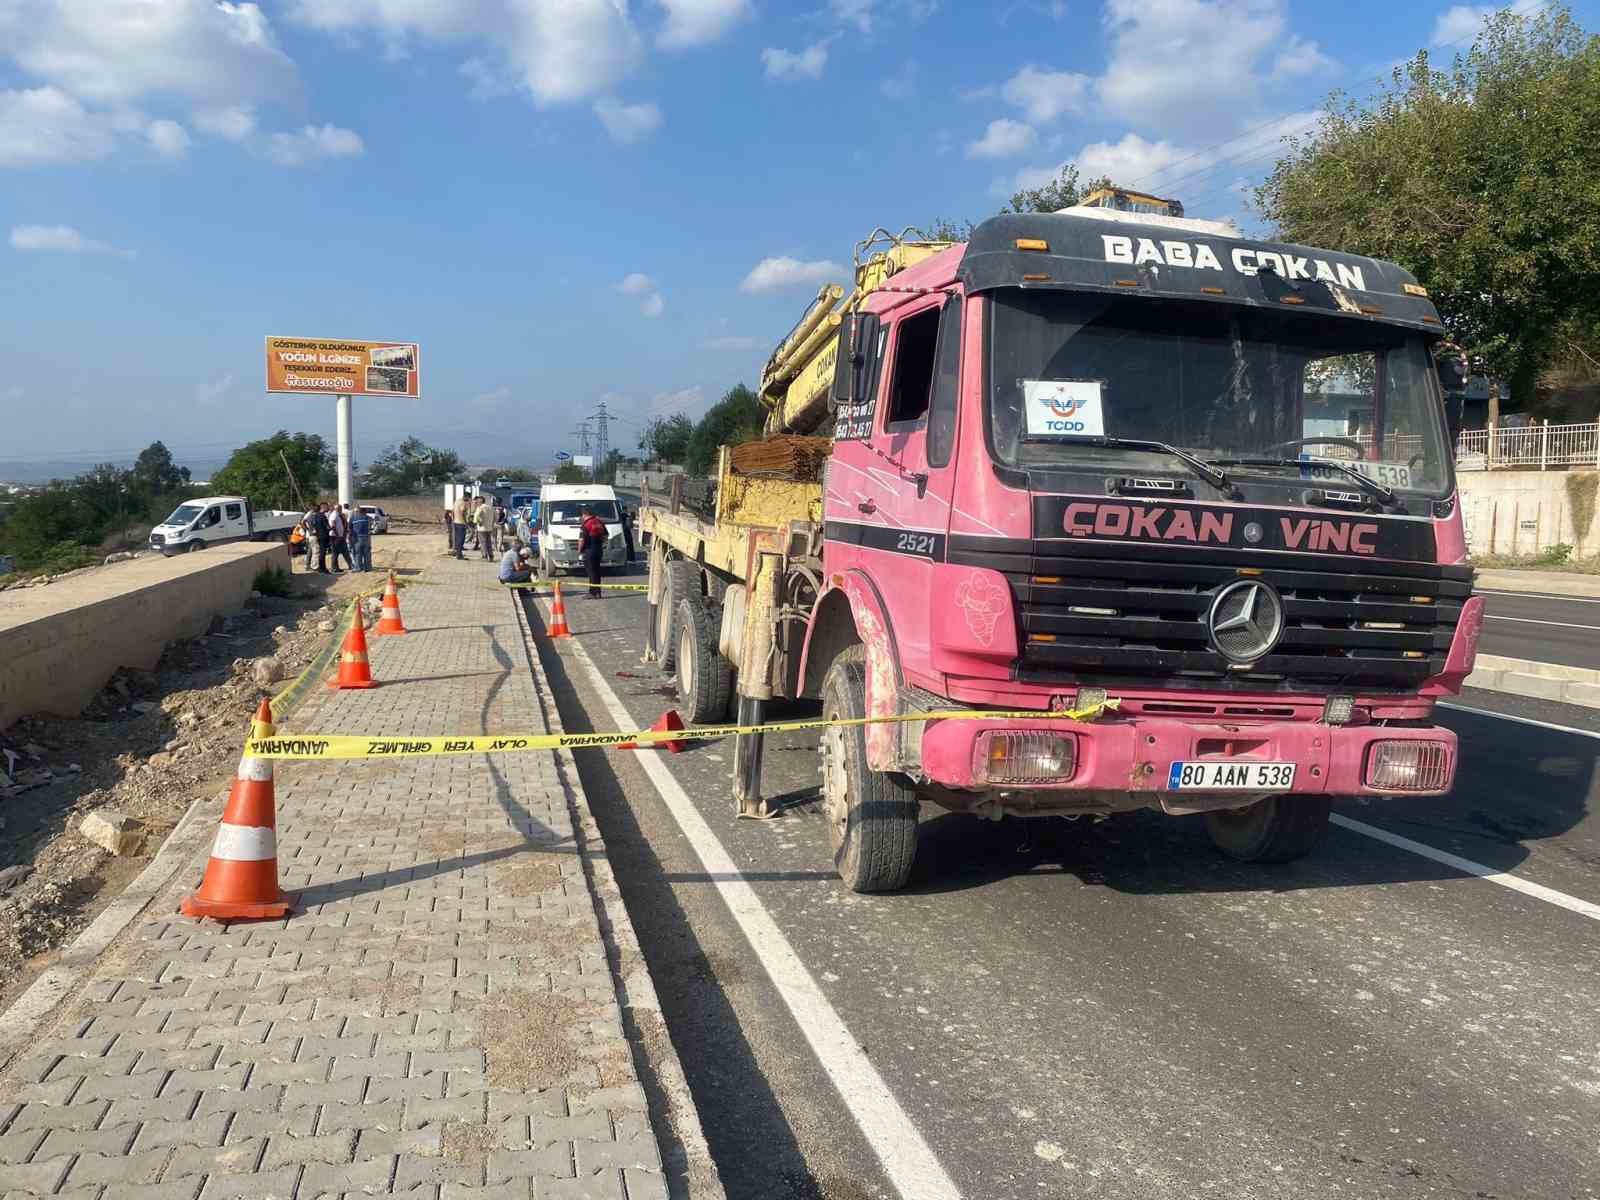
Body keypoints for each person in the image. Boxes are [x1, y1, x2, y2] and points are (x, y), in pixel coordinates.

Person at [578, 506, 607, 598]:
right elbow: (606, 535)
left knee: (591, 572)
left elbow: (582, 539)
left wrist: (579, 550)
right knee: (597, 572)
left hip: (589, 551)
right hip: (599, 550)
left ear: (584, 514)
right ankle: (598, 592)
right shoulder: (599, 522)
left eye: (582, 515)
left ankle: (592, 593)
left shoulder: (586, 524)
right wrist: (601, 543)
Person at [308, 503, 332, 573]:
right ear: (322, 508)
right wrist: (331, 528)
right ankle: (322, 568)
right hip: (323, 536)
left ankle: (320, 568)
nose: (328, 508)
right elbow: (327, 527)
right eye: (327, 507)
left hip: (317, 536)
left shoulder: (313, 516)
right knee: (322, 553)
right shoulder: (322, 516)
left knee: (318, 552)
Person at [329, 504, 352, 572]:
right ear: (336, 509)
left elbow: (344, 524)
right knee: (335, 553)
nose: (340, 509)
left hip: (341, 536)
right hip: (335, 537)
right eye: (339, 508)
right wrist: (337, 535)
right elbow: (333, 525)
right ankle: (334, 568)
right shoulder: (334, 514)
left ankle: (351, 565)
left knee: (345, 551)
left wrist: (344, 533)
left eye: (341, 508)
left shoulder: (340, 514)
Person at [349, 505, 372, 572]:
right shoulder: (367, 517)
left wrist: (350, 537)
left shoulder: (353, 518)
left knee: (358, 553)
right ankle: (368, 568)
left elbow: (349, 528)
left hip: (357, 538)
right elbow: (372, 525)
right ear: (364, 512)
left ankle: (358, 567)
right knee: (367, 553)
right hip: (366, 537)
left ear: (358, 511)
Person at [476, 494, 496, 561]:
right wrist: (492, 523)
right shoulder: (491, 508)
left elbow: (477, 516)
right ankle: (491, 556)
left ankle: (484, 556)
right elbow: (496, 517)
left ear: (480, 502)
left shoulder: (480, 508)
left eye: (478, 502)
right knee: (489, 542)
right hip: (489, 528)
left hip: (481, 528)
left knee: (483, 542)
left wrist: (479, 522)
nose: (477, 503)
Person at [452, 492, 470, 559]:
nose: (468, 500)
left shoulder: (457, 501)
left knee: (457, 538)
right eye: (468, 498)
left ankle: (457, 552)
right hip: (461, 523)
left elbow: (452, 511)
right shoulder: (463, 503)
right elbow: (463, 513)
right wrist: (466, 523)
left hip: (455, 522)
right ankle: (459, 555)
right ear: (466, 497)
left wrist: (453, 519)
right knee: (461, 539)